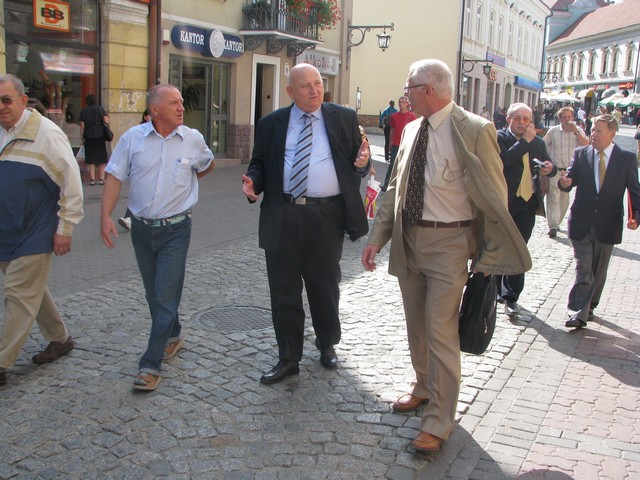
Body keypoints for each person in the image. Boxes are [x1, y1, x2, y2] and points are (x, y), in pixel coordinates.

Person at [361, 59, 531, 454]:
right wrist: (377, 238)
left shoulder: (474, 129)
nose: (405, 93)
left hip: (451, 243)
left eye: (409, 87)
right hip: (409, 239)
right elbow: (394, 189)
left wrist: (488, 255)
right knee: (417, 325)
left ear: (429, 90)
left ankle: (439, 420)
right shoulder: (411, 129)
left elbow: (494, 195)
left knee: (440, 329)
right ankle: (423, 385)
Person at [241, 63, 371, 385]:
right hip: (283, 214)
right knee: (283, 291)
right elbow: (259, 164)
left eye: (318, 83)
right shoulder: (271, 123)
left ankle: (326, 343)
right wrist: (253, 183)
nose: (314, 90)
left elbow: (359, 160)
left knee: (324, 286)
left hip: (326, 216)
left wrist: (363, 163)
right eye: (305, 86)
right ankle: (288, 358)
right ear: (290, 91)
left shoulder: (343, 117)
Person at [100, 84, 214, 391]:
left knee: (164, 294)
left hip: (177, 229)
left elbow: (207, 164)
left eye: (181, 102)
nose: (181, 107)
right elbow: (114, 176)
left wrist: (188, 183)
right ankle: (173, 334)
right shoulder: (132, 139)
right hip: (141, 229)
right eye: (174, 103)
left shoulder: (192, 138)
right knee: (154, 293)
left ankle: (150, 364)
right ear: (154, 110)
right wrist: (105, 217)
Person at [0, 74, 83, 386]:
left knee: (18, 294)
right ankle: (60, 338)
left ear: (23, 101)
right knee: (30, 290)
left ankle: (2, 362)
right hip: (5, 229)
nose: (1, 107)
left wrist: (66, 228)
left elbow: (71, 183)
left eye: (6, 100)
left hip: (34, 231)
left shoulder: (47, 135)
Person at [558, 114, 640, 328]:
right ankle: (577, 312)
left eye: (599, 131)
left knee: (598, 269)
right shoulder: (581, 153)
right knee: (583, 267)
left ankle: (590, 305)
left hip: (608, 223)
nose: (593, 134)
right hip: (581, 222)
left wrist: (636, 217)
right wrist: (564, 183)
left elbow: (635, 191)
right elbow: (570, 179)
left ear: (612, 133)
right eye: (592, 130)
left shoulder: (626, 159)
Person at [496, 103, 556, 319]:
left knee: (519, 250)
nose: (522, 123)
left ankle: (511, 297)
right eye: (518, 118)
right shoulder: (499, 138)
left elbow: (549, 165)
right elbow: (502, 162)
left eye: (526, 119)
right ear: (509, 119)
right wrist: (524, 143)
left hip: (527, 203)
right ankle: (496, 289)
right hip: (504, 203)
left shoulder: (537, 142)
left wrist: (550, 168)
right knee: (499, 248)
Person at [543, 106, 589, 238]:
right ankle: (553, 225)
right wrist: (547, 161)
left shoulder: (578, 130)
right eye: (564, 117)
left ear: (573, 118)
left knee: (564, 199)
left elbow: (587, 145)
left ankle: (557, 221)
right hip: (555, 169)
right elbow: (544, 145)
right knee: (553, 196)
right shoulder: (553, 131)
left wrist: (576, 132)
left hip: (569, 170)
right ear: (560, 119)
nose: (567, 120)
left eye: (569, 117)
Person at [117, 109, 151, 232]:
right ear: (145, 117)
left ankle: (132, 219)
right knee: (138, 195)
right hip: (140, 170)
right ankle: (130, 219)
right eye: (149, 115)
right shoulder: (137, 132)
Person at [381, 96, 415, 191]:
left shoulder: (411, 117)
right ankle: (386, 185)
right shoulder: (394, 116)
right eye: (400, 102)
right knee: (392, 166)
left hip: (407, 145)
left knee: (406, 166)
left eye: (403, 102)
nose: (401, 104)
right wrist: (390, 144)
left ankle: (404, 186)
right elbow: (392, 130)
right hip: (396, 144)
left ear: (407, 104)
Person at [79, 94, 110, 185]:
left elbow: (82, 126)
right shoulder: (100, 109)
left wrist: (82, 136)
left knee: (90, 158)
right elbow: (106, 120)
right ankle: (102, 178)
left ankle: (92, 179)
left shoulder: (83, 111)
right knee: (101, 158)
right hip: (100, 135)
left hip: (88, 136)